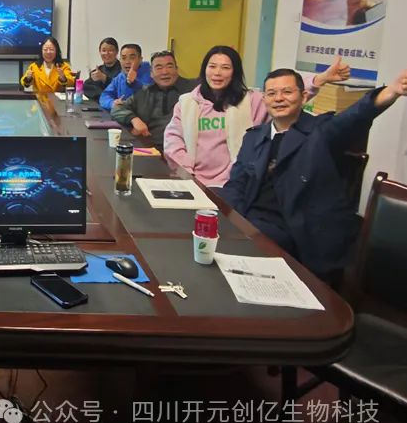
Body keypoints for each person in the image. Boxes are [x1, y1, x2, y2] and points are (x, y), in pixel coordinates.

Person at [222, 66, 407, 280]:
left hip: (297, 231)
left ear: (304, 97)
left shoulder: (321, 131)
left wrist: (391, 91)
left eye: (287, 92)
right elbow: (236, 184)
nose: (279, 98)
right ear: (264, 100)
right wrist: (230, 221)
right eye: (271, 93)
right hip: (252, 223)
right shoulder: (254, 137)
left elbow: (354, 117)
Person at [163, 46, 351, 188]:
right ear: (204, 70)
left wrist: (321, 79)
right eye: (212, 66)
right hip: (192, 181)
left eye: (225, 67)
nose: (217, 73)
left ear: (235, 72)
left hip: (234, 184)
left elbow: (285, 96)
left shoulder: (251, 100)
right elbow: (173, 140)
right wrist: (187, 174)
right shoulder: (187, 103)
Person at [111, 50, 196, 149]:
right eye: (159, 67)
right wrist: (134, 120)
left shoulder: (193, 90)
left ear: (176, 69)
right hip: (152, 149)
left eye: (169, 66)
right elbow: (117, 108)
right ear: (151, 73)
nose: (165, 72)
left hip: (185, 149)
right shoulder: (146, 92)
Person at [98, 43, 154, 110]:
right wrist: (112, 103)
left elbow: (148, 97)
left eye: (132, 58)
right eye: (124, 58)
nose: (127, 62)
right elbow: (105, 95)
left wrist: (133, 83)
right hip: (122, 114)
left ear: (140, 60)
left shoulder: (150, 75)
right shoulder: (120, 77)